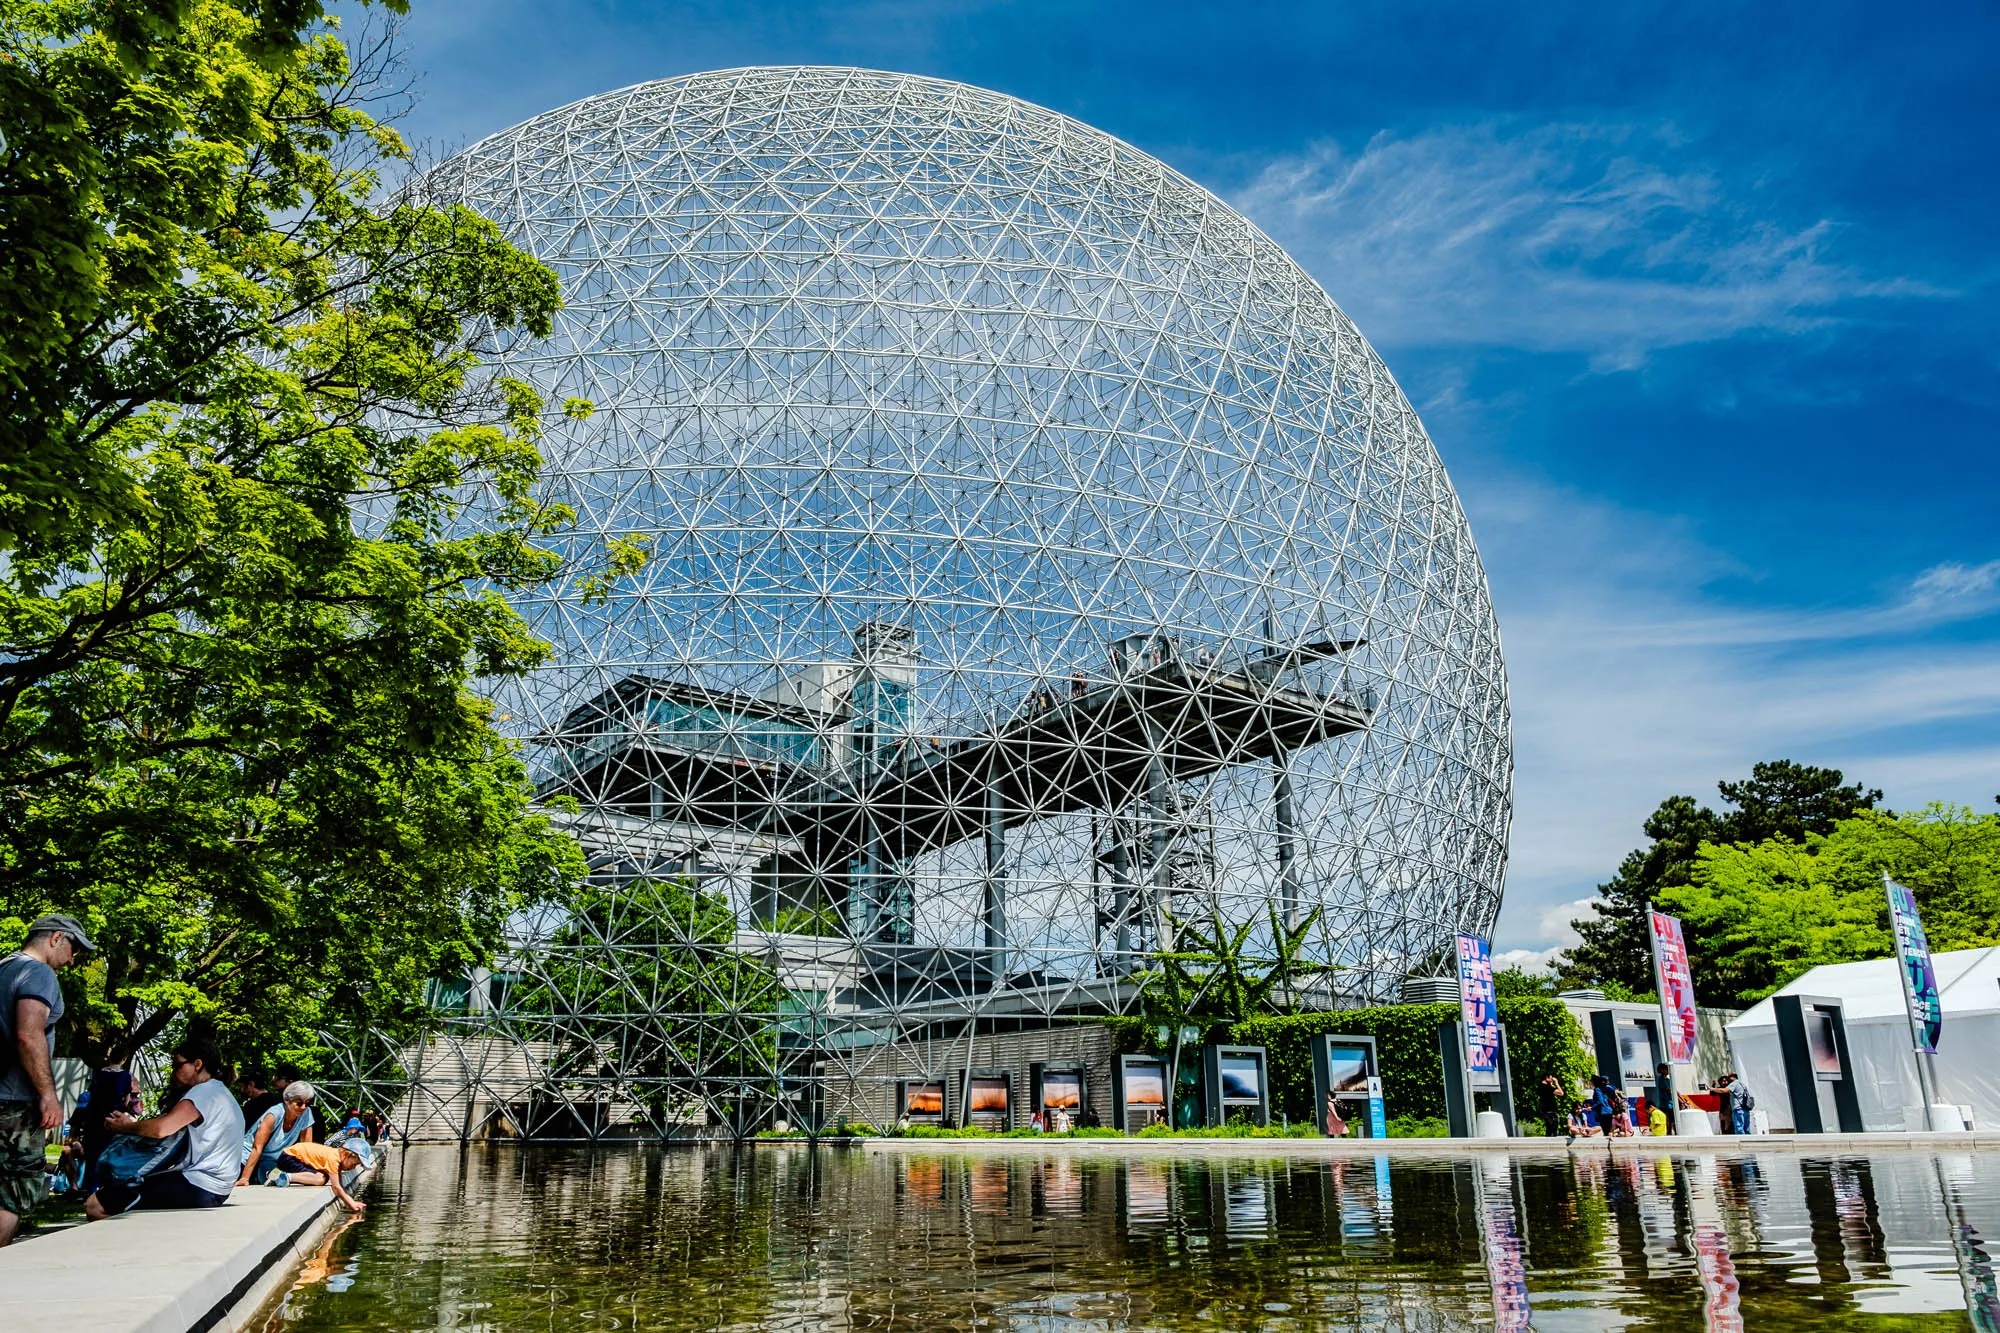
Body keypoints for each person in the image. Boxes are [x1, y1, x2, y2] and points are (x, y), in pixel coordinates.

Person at [0, 913, 94, 1246]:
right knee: (12, 1188)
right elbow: (29, 1033)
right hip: (14, 1103)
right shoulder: (37, 973)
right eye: (74, 950)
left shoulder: (4, 967)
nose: (71, 960)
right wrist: (48, 1094)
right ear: (56, 937)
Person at [84, 1036, 246, 1217]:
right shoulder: (220, 1091)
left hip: (201, 1184)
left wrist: (125, 1126)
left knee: (95, 1204)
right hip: (216, 1186)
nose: (173, 1072)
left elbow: (161, 1129)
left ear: (197, 1064)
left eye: (177, 1065)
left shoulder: (203, 1092)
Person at [238, 1080, 318, 1187]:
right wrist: (245, 1178)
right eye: (299, 1103)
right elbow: (257, 1148)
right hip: (251, 1158)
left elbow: (306, 1148)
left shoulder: (306, 1113)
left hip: (276, 1160)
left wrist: (311, 1170)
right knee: (273, 1174)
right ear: (287, 1100)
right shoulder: (274, 1115)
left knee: (319, 1176)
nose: (303, 1107)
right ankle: (268, 1176)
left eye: (307, 1103)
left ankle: (285, 1177)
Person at [263, 1138, 369, 1213]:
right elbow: (336, 1187)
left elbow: (339, 1184)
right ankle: (285, 1176)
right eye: (354, 1163)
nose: (354, 1167)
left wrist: (350, 1199)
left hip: (289, 1156)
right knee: (320, 1179)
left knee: (323, 1177)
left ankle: (276, 1174)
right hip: (290, 1158)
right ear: (345, 1155)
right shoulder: (333, 1159)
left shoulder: (336, 1155)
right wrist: (351, 1203)